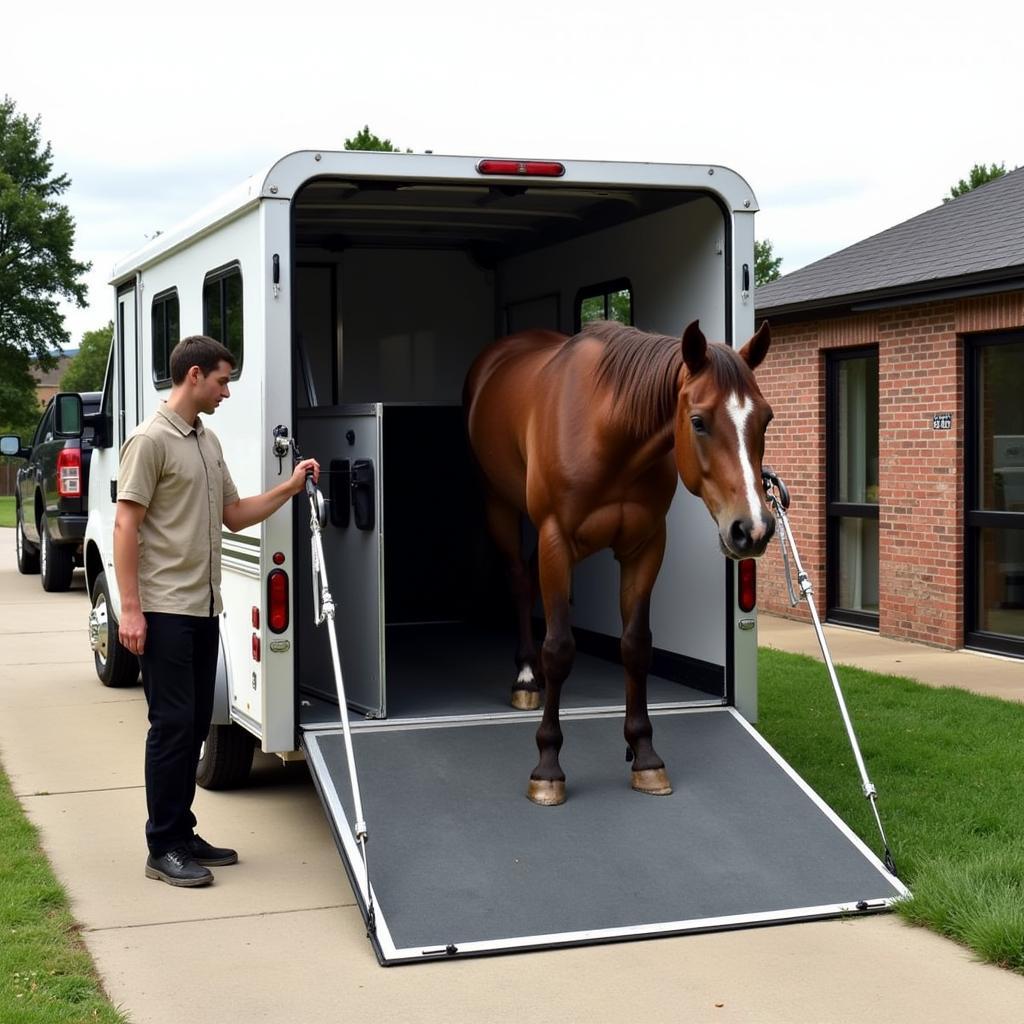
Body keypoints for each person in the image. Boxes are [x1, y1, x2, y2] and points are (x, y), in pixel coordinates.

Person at [114, 335, 319, 887]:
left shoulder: (206, 440)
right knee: (172, 726)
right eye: (224, 381)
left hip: (205, 609)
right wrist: (129, 611)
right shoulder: (150, 440)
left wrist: (290, 488)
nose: (228, 391)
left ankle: (183, 831)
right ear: (195, 375)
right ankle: (163, 847)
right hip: (163, 611)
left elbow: (233, 514)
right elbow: (125, 525)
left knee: (195, 722)